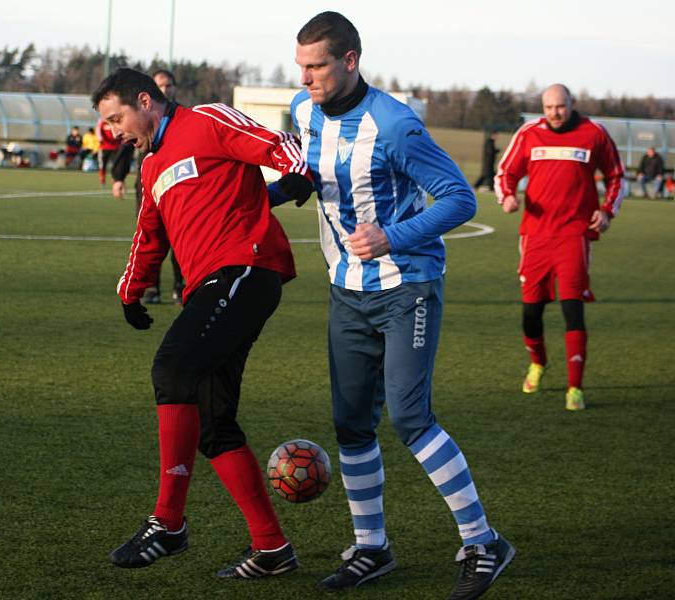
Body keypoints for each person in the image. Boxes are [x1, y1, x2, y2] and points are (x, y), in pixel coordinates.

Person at [286, 12, 514, 599]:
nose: (306, 76)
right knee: (350, 424)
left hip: (407, 284)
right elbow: (309, 175)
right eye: (301, 65)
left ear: (350, 61)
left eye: (317, 65)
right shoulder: (302, 110)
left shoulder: (395, 125)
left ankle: (483, 541)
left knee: (410, 418)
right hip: (345, 289)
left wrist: (393, 235)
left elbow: (460, 200)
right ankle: (371, 547)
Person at [91, 67, 312, 579]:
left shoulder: (206, 120)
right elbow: (149, 233)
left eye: (117, 118)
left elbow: (277, 143)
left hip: (245, 267)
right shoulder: (150, 167)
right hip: (209, 287)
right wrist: (131, 291)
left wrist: (295, 172)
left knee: (173, 369)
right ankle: (273, 548)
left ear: (145, 101)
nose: (113, 131)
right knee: (214, 426)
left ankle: (168, 524)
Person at [495, 83, 625, 411]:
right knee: (531, 312)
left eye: (561, 106)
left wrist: (608, 211)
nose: (555, 113)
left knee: (572, 308)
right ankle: (538, 363)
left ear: (571, 104)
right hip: (535, 237)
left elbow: (616, 176)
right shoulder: (529, 133)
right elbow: (505, 172)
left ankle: (575, 387)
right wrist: (507, 195)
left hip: (574, 236)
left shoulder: (593, 133)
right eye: (549, 107)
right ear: (543, 106)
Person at [113, 68, 186, 304]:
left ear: (174, 88)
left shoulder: (183, 116)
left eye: (168, 85)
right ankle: (151, 288)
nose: (165, 90)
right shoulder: (139, 118)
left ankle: (181, 286)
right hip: (147, 187)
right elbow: (125, 145)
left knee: (180, 236)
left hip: (177, 185)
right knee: (150, 233)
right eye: (160, 86)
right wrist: (118, 177)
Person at [96, 116, 120, 185]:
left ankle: (115, 179)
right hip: (104, 147)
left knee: (115, 164)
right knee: (102, 164)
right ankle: (102, 178)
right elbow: (98, 131)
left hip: (115, 147)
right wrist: (100, 139)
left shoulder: (115, 120)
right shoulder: (101, 121)